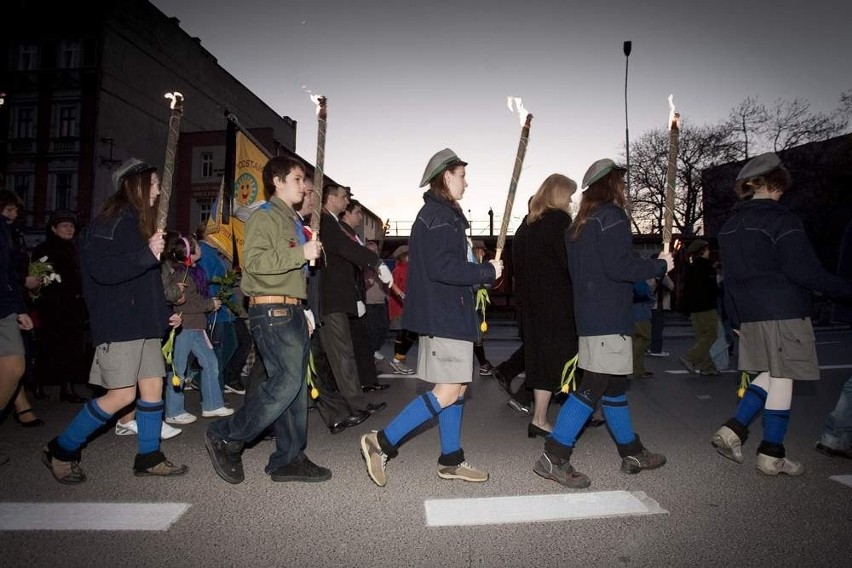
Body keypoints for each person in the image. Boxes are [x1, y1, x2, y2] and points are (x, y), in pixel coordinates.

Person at [360, 148, 502, 487]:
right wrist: (486, 270)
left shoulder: (440, 214)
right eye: (462, 175)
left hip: (450, 314)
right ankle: (380, 442)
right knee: (447, 391)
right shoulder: (440, 216)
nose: (467, 182)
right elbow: (443, 267)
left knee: (456, 387)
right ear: (447, 176)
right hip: (447, 315)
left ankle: (451, 459)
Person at [42, 158, 187, 483]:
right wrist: (145, 254)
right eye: (153, 183)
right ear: (134, 185)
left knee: (153, 389)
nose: (159, 190)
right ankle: (61, 449)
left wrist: (165, 313)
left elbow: (144, 280)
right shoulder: (109, 224)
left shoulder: (139, 225)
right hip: (120, 325)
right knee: (121, 396)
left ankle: (148, 456)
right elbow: (103, 271)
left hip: (144, 323)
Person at [533, 158, 673, 488]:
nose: (623, 188)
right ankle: (554, 456)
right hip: (610, 316)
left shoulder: (580, 224)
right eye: (620, 182)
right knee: (594, 386)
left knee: (614, 388)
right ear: (611, 185)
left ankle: (632, 451)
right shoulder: (612, 217)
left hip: (591, 316)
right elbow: (619, 266)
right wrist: (659, 266)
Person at [711, 152, 852, 476]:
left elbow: (728, 280)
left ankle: (739, 433)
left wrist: (736, 319)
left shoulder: (731, 226)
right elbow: (804, 271)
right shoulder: (781, 219)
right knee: (783, 376)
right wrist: (845, 287)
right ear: (776, 184)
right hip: (784, 308)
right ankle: (769, 451)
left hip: (750, 314)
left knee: (775, 374)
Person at [204, 156, 330, 484]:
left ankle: (288, 458)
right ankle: (226, 434)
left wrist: (303, 308)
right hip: (271, 311)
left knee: (295, 388)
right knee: (285, 383)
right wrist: (299, 254)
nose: (305, 186)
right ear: (277, 181)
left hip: (290, 310)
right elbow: (255, 263)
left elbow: (292, 274)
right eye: (299, 179)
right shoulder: (264, 217)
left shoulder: (290, 221)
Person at [316, 184, 390, 420]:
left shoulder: (331, 222)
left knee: (337, 355)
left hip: (338, 298)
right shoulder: (325, 222)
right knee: (342, 354)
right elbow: (345, 248)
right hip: (331, 299)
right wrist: (376, 262)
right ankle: (353, 406)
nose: (346, 200)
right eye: (343, 196)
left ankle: (344, 406)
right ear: (330, 198)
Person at [512, 174, 578, 438]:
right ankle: (577, 415)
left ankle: (539, 418)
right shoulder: (559, 224)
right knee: (569, 362)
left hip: (530, 306)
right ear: (560, 196)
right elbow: (571, 265)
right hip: (558, 305)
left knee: (541, 362)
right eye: (569, 196)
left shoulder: (525, 227)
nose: (572, 201)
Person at [163, 234, 231, 423]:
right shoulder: (180, 274)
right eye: (196, 246)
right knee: (178, 370)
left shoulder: (194, 271)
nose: (200, 248)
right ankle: (174, 412)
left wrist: (209, 304)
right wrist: (210, 304)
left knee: (211, 363)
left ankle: (212, 405)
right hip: (184, 327)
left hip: (197, 327)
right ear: (189, 252)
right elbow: (182, 305)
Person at [31, 209, 90, 403]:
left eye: (71, 226)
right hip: (52, 307)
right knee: (47, 347)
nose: (69, 229)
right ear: (54, 229)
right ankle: (39, 384)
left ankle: (68, 387)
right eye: (64, 225)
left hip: (74, 306)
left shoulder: (77, 249)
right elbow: (40, 279)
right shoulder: (44, 249)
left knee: (73, 349)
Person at [339, 199, 389, 393]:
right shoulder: (342, 232)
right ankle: (358, 384)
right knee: (354, 341)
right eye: (358, 213)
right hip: (352, 294)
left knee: (363, 338)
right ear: (348, 214)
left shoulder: (353, 235)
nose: (360, 217)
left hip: (359, 292)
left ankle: (368, 380)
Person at [0, 200, 35, 464]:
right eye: (7, 209)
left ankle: (21, 406)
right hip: (5, 303)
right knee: (13, 366)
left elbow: (7, 272)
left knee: (12, 366)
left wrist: (19, 305)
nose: (13, 214)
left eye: (15, 210)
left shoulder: (11, 233)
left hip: (7, 302)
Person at [680, 239, 720, 375]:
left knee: (701, 337)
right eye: (707, 249)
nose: (709, 252)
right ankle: (691, 357)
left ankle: (707, 366)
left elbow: (686, 290)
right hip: (707, 307)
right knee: (711, 335)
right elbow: (713, 289)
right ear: (702, 251)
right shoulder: (708, 268)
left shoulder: (690, 268)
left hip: (694, 309)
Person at [387, 245, 416, 374]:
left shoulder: (409, 269)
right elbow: (395, 289)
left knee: (406, 334)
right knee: (404, 334)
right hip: (400, 307)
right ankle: (397, 361)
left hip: (407, 307)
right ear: (403, 257)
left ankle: (398, 360)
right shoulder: (399, 271)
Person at [471, 240, 496, 376]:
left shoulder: (479, 266)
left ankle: (483, 364)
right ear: (476, 250)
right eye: (482, 250)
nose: (484, 252)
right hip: (471, 307)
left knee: (476, 337)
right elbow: (473, 285)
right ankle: (483, 364)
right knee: (476, 337)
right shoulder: (472, 266)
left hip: (476, 306)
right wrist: (485, 284)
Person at [647, 263, 674, 357]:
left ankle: (649, 347)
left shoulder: (648, 275)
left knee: (651, 328)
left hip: (651, 305)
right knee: (657, 328)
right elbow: (671, 286)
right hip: (659, 305)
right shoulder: (662, 276)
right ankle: (656, 349)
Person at [631, 278, 654, 378]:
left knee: (636, 339)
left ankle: (638, 369)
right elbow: (643, 292)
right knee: (645, 338)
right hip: (641, 312)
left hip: (632, 311)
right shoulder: (638, 278)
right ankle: (634, 366)